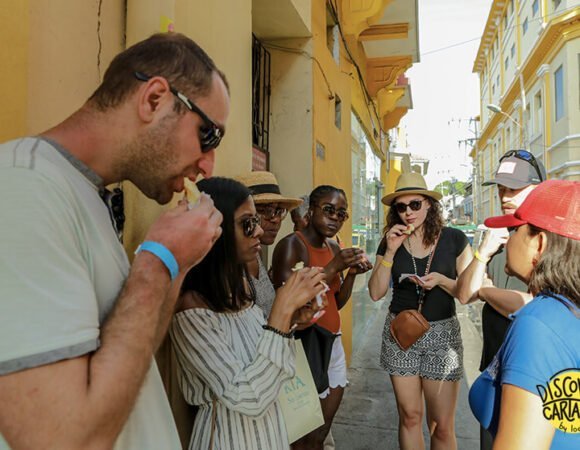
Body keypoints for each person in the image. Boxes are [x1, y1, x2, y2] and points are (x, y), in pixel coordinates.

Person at [0, 33, 228, 449]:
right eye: (208, 135)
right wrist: (156, 263)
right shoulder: (23, 188)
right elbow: (61, 438)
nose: (208, 164)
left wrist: (177, 266)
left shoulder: (86, 191)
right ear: (155, 99)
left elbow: (126, 355)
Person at [169, 177, 327, 450]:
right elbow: (250, 397)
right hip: (229, 439)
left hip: (270, 434)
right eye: (248, 223)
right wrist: (281, 311)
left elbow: (266, 364)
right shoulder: (191, 311)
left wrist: (290, 321)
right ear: (214, 231)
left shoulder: (241, 288)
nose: (258, 231)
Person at [469, 179, 580, 450]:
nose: (507, 240)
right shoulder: (567, 311)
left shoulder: (538, 325)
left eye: (514, 229)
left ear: (539, 244)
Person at [368, 171, 472, 450]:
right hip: (400, 334)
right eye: (400, 207)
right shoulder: (391, 240)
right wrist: (389, 252)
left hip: (443, 337)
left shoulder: (455, 239)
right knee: (410, 417)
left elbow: (468, 293)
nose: (408, 212)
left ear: (429, 204)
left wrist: (441, 280)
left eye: (415, 204)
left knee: (441, 425)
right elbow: (376, 291)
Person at [456, 149, 545, 450]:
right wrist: (483, 251)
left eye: (515, 188)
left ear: (538, 187)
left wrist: (486, 290)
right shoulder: (497, 235)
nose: (506, 196)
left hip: (534, 376)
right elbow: (465, 293)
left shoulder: (547, 239)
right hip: (494, 373)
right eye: (502, 189)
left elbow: (532, 305)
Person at [272, 185, 372, 450]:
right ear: (312, 209)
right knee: (300, 434)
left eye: (341, 214)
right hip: (304, 344)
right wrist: (333, 267)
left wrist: (350, 274)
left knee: (321, 430)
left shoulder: (332, 246)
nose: (335, 218)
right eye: (328, 210)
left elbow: (335, 302)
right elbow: (289, 304)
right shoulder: (292, 246)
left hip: (332, 341)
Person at [236, 171, 303, 318]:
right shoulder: (230, 268)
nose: (276, 219)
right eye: (267, 211)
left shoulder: (256, 253)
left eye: (279, 211)